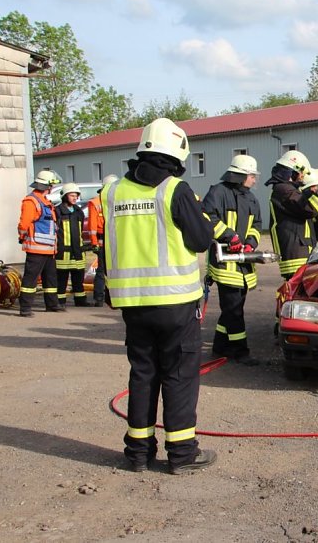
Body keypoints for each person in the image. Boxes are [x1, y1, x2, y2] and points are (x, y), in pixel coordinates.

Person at [102, 118, 216, 474]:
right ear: (178, 152)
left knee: (143, 373)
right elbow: (200, 240)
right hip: (175, 303)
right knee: (179, 376)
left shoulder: (112, 192)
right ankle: (182, 454)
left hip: (132, 304)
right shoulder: (174, 190)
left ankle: (137, 453)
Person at [202, 154, 263, 366]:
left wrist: (250, 244)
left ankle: (220, 345)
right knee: (234, 309)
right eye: (252, 176)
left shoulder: (251, 199)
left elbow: (257, 224)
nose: (255, 180)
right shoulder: (218, 192)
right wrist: (231, 236)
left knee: (232, 308)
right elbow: (208, 217)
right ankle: (240, 351)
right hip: (225, 263)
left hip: (243, 262)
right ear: (241, 175)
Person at [265, 150, 318, 279]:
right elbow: (309, 209)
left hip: (299, 252)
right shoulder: (283, 189)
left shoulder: (289, 189)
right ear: (293, 171)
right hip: (295, 256)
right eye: (302, 172)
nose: (302, 177)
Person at [17, 170, 63, 317]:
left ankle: (52, 304)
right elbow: (24, 224)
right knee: (30, 279)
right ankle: (25, 308)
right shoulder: (31, 201)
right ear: (47, 185)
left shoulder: (45, 202)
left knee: (50, 279)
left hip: (49, 249)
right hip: (36, 249)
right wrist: (23, 236)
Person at [54, 183, 90, 307]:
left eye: (76, 196)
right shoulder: (57, 211)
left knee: (78, 279)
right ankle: (60, 302)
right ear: (64, 196)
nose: (75, 198)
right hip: (63, 253)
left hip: (78, 252)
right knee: (61, 280)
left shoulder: (78, 211)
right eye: (72, 195)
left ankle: (81, 301)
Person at [87, 174, 119, 306]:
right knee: (102, 271)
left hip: (112, 240)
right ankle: (100, 298)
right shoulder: (95, 202)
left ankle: (108, 296)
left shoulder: (115, 200)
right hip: (103, 241)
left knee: (110, 270)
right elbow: (92, 226)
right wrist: (94, 242)